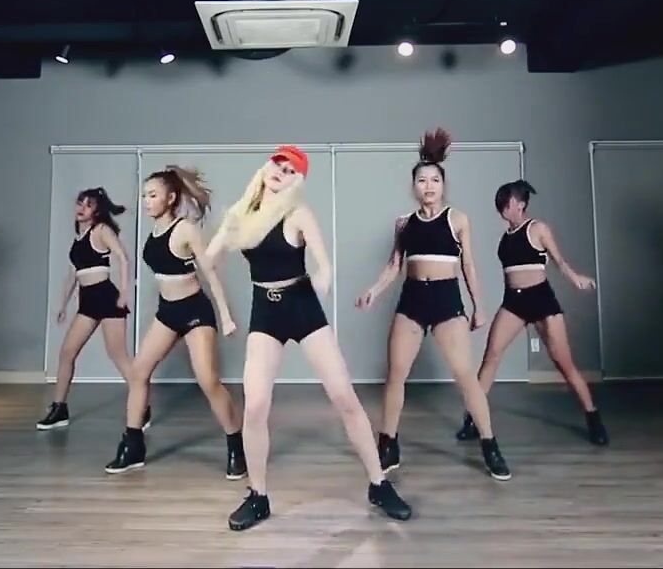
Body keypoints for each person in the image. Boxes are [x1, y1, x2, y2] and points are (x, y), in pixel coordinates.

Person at [205, 145, 412, 531]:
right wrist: (218, 295)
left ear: (296, 181)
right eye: (277, 165)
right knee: (255, 405)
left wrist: (323, 279)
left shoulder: (298, 213)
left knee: (344, 397)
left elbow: (324, 263)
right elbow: (208, 260)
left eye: (289, 171)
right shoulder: (242, 214)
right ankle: (257, 496)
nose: (280, 173)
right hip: (265, 311)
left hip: (302, 307)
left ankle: (379, 485)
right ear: (266, 167)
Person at [356, 128, 511, 480]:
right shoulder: (404, 224)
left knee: (465, 376)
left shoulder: (457, 219)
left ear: (443, 185)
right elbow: (394, 266)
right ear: (414, 186)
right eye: (422, 180)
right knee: (396, 375)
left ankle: (490, 445)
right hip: (411, 300)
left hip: (445, 301)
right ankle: (388, 443)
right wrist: (373, 291)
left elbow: (469, 265)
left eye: (434, 180)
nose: (428, 186)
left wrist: (479, 307)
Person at [104, 166, 246, 479]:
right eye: (144, 195)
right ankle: (133, 446)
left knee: (208, 381)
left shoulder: (185, 230)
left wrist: (225, 316)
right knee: (138, 372)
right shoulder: (154, 230)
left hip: (195, 312)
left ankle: (237, 445)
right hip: (167, 312)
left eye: (152, 195)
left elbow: (210, 274)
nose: (146, 201)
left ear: (170, 199)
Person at [454, 180, 609, 447]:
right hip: (513, 302)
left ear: (520, 204)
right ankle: (473, 420)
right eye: (500, 203)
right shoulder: (506, 236)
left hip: (541, 300)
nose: (502, 207)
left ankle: (593, 419)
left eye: (506, 202)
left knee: (564, 363)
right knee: (491, 356)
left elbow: (559, 261)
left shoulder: (537, 228)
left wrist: (576, 279)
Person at [36, 187, 148, 431]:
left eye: (88, 205)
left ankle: (142, 406)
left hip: (106, 297)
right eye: (80, 203)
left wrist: (125, 292)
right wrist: (63, 305)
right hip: (87, 301)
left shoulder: (101, 230)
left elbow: (123, 258)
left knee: (118, 355)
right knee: (67, 352)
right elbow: (72, 275)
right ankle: (59, 408)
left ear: (96, 211)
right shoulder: (79, 238)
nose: (81, 208)